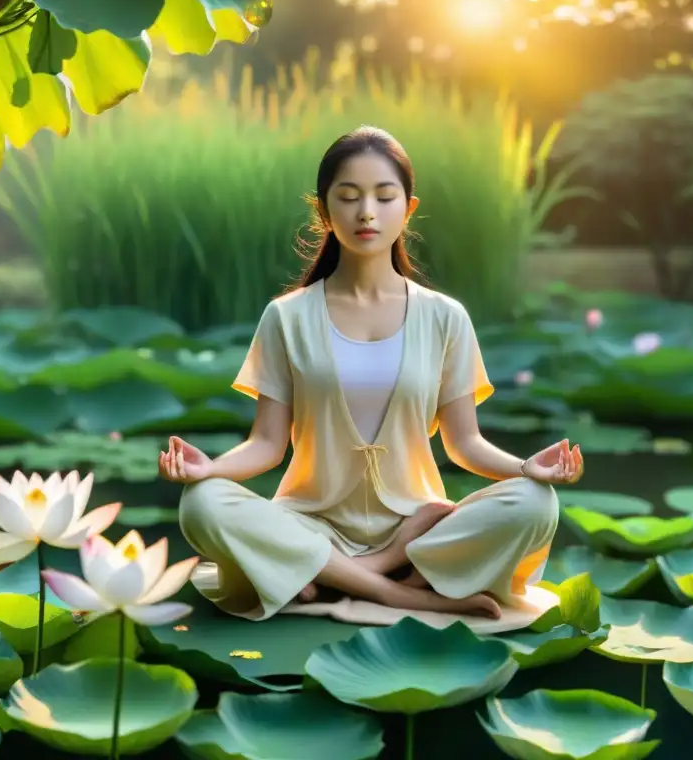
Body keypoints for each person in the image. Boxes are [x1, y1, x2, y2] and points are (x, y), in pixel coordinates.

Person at [158, 125, 584, 622]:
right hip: (311, 523)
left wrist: (524, 468)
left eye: (384, 197)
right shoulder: (287, 317)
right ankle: (395, 586)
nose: (366, 212)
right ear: (324, 210)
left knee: (537, 504)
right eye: (349, 197)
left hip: (418, 527)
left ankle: (329, 576)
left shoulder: (445, 317)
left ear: (408, 209)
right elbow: (268, 445)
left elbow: (464, 444)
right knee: (201, 504)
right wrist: (209, 470)